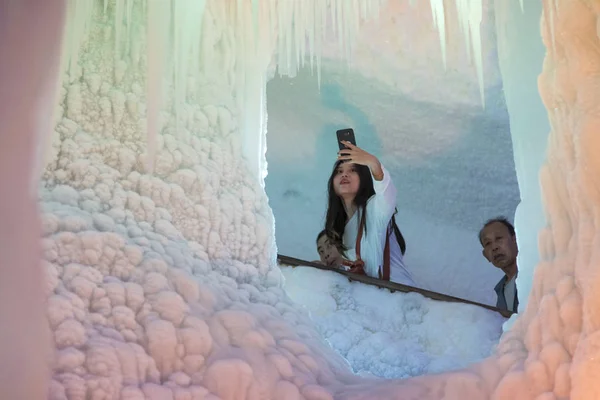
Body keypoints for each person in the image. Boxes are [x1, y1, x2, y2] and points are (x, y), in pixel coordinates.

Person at [323, 140, 415, 286]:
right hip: (372, 298)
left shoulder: (374, 208)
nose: (344, 174)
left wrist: (373, 163)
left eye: (352, 170)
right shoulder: (340, 226)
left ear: (364, 178)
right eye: (339, 171)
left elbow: (386, 193)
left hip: (397, 295)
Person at [479, 217, 519, 313]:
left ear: (516, 239)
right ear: (486, 256)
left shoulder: (537, 274)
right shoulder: (500, 290)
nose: (494, 247)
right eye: (488, 243)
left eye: (499, 238)